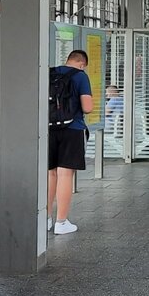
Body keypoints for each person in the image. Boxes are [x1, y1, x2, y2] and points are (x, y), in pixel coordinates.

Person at [47, 49, 93, 236]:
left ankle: (46, 219)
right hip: (72, 129)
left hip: (49, 129)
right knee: (65, 174)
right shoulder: (81, 76)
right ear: (82, 64)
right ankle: (61, 222)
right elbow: (87, 108)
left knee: (51, 174)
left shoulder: (51, 72)